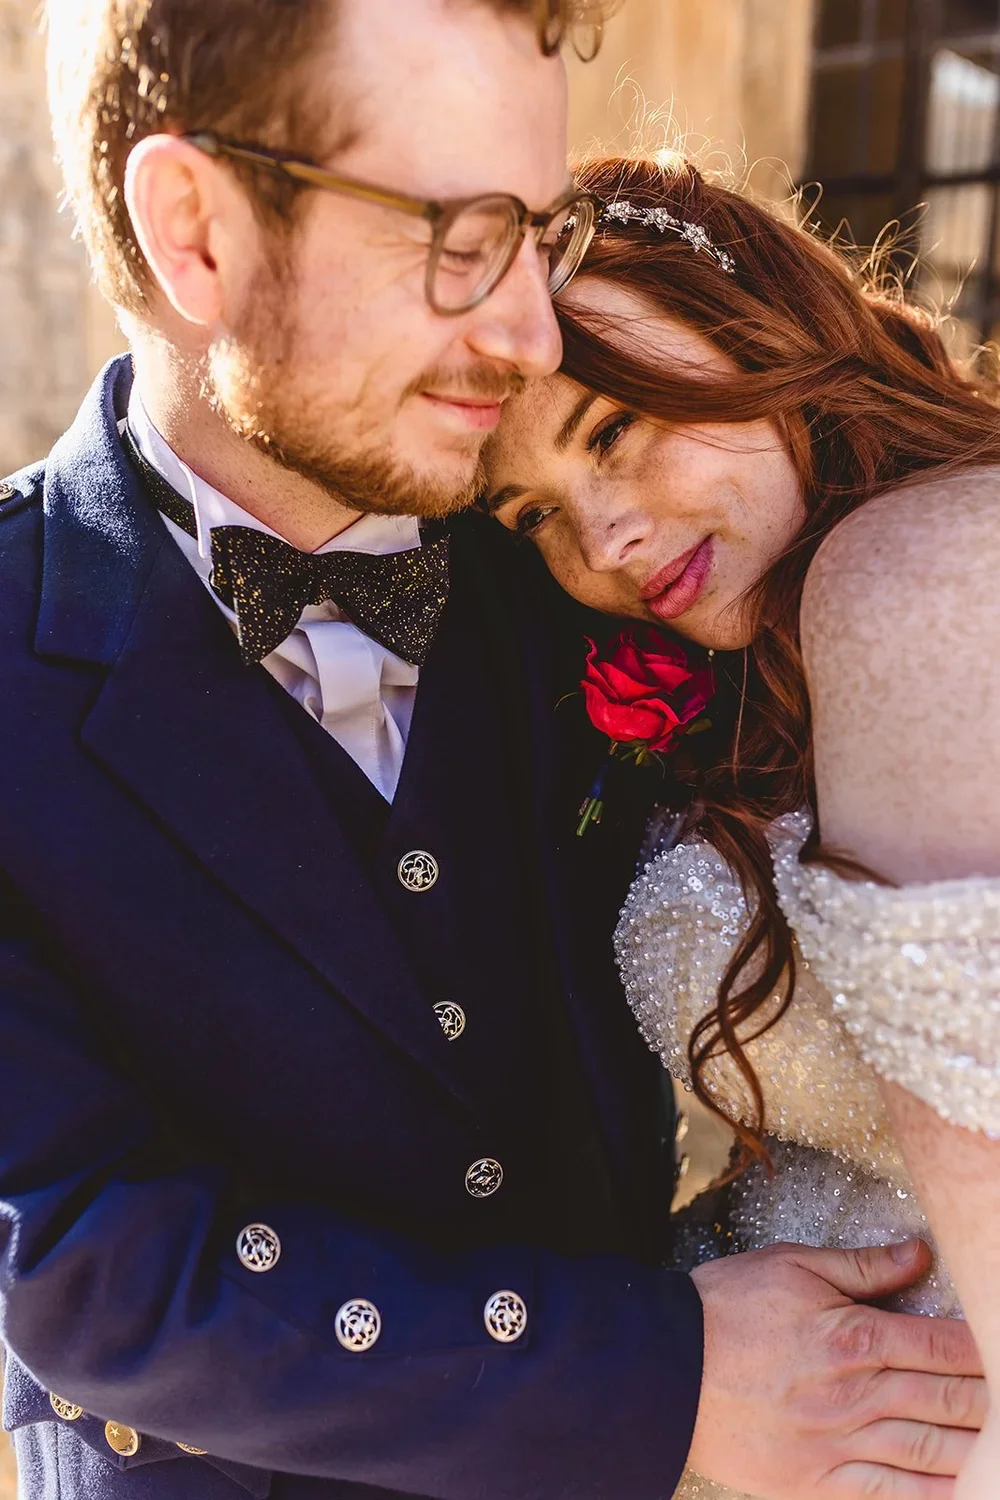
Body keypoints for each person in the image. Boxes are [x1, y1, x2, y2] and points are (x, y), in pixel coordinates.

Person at [0, 4, 982, 1497]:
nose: (532, 332)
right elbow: (68, 1251)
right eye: (461, 237)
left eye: (532, 234)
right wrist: (659, 1378)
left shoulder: (584, 560)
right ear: (196, 232)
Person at [482, 148, 1000, 1499]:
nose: (601, 544)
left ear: (750, 314)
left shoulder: (916, 580)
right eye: (532, 513)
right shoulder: (745, 684)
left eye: (616, 433)